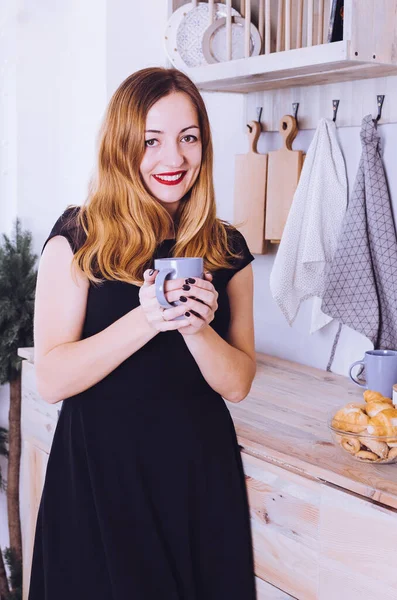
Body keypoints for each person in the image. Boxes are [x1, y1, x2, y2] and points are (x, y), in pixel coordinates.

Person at [29, 67, 257, 599]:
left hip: (198, 480)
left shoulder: (226, 249)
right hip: (99, 480)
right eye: (151, 141)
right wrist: (146, 317)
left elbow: (239, 382)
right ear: (121, 146)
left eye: (188, 138)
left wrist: (198, 330)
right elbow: (53, 378)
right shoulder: (79, 238)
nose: (173, 159)